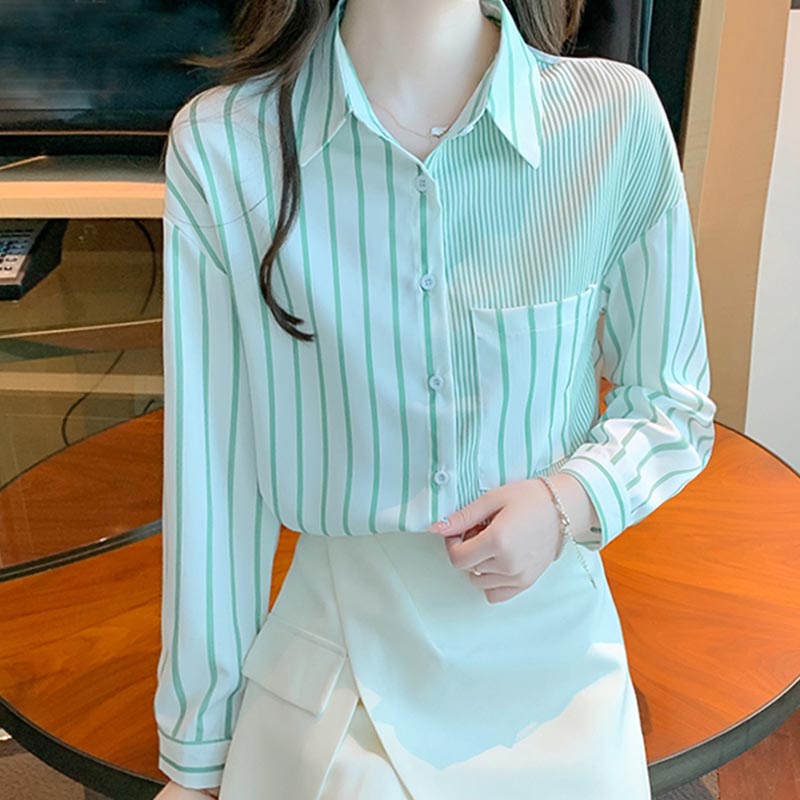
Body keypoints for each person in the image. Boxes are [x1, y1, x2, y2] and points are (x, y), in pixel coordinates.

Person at [153, 0, 717, 797]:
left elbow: (671, 401)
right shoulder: (223, 147)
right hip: (336, 654)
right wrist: (199, 752)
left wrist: (570, 498)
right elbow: (213, 469)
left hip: (553, 657)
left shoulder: (613, 121)